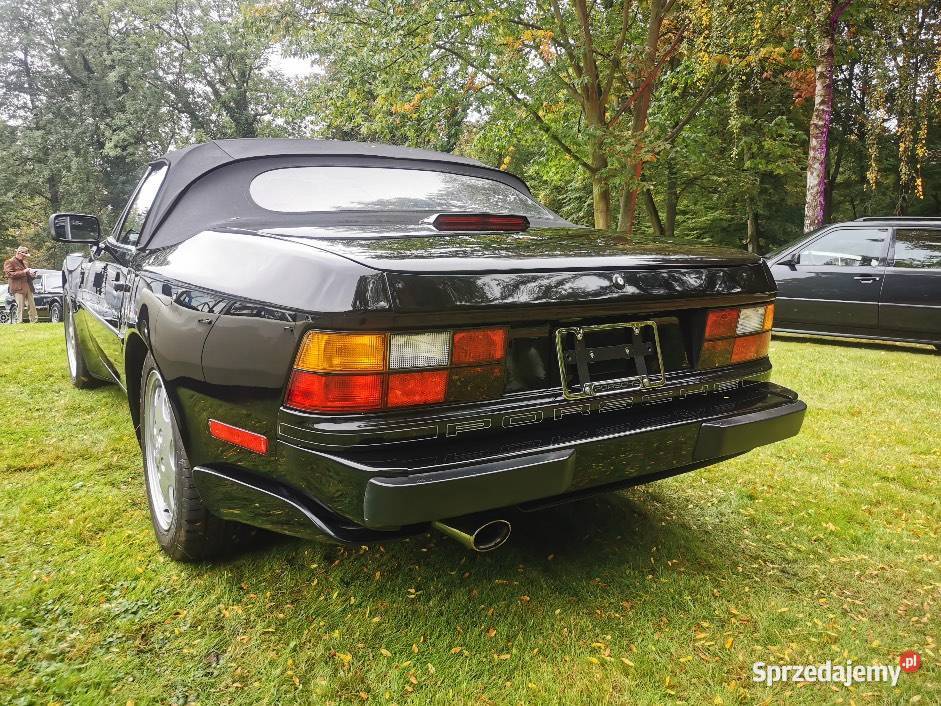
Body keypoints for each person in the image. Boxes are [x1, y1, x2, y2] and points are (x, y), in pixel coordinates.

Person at [3, 246, 39, 323]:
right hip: (18, 288)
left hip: (28, 286)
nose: (24, 257)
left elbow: (27, 275)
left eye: (25, 256)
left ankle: (34, 321)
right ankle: (19, 321)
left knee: (31, 305)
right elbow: (10, 274)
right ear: (18, 253)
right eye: (23, 255)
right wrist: (24, 272)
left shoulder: (25, 263)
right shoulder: (9, 262)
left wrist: (32, 275)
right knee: (20, 306)